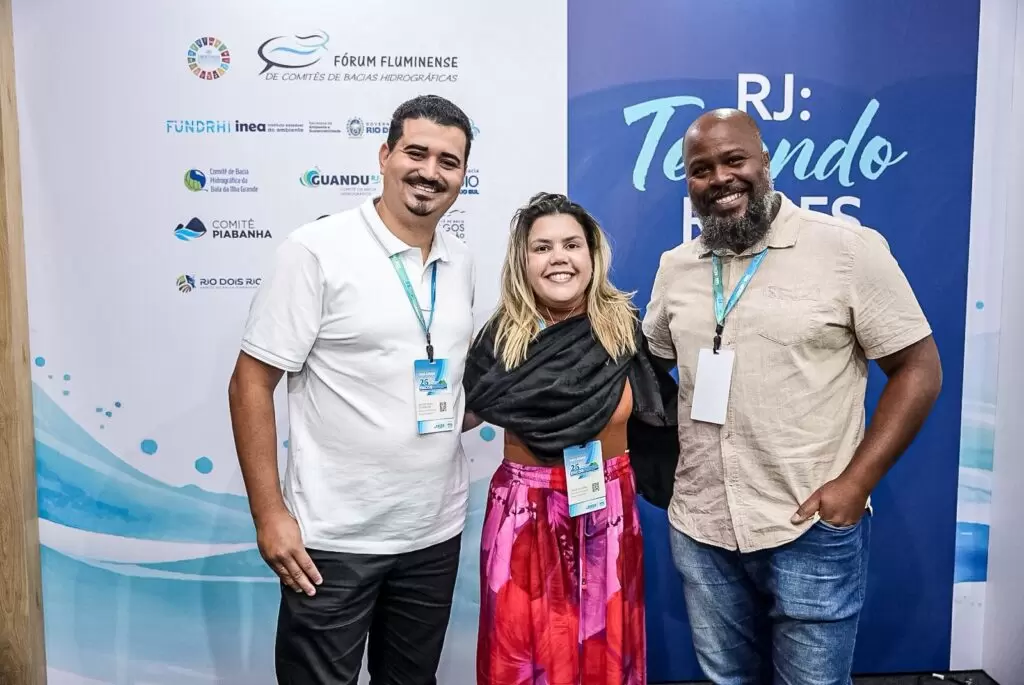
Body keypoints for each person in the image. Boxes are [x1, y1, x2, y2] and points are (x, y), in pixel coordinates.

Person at [642, 108, 943, 685]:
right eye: (701, 169)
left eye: (734, 160)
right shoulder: (676, 267)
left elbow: (918, 368)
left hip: (808, 525)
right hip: (702, 527)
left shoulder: (847, 249)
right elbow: (647, 363)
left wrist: (854, 486)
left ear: (765, 161)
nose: (720, 178)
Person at [227, 94, 476, 685]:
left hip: (432, 533)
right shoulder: (316, 251)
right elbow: (250, 384)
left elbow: (439, 382)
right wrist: (269, 514)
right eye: (416, 153)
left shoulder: (460, 260)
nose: (430, 172)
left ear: (463, 175)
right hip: (332, 541)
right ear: (385, 156)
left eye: (448, 161)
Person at [463, 192, 679, 685]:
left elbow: (663, 413)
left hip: (608, 507)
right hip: (523, 512)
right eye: (542, 247)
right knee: (525, 655)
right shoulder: (500, 338)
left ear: (592, 255)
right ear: (522, 261)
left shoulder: (625, 331)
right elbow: (463, 412)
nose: (558, 257)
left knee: (604, 653)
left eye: (571, 245)